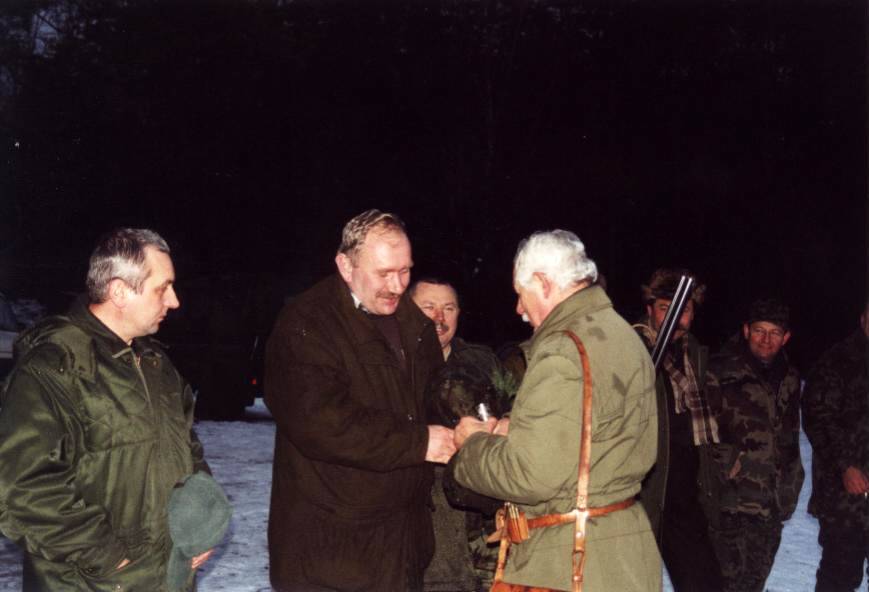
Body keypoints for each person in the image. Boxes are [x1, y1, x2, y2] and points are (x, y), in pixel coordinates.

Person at [0, 228, 213, 592]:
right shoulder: (54, 367)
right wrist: (106, 557)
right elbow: (21, 488)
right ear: (119, 292)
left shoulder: (157, 364)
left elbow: (188, 451)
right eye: (162, 288)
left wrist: (200, 522)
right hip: (92, 581)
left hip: (166, 576)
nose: (174, 301)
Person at [451, 230, 661, 591]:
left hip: (567, 563)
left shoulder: (563, 350)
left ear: (544, 283)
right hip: (624, 553)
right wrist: (519, 430)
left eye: (521, 294)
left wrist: (471, 445)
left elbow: (531, 476)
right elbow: (594, 437)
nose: (519, 309)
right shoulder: (622, 333)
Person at [264, 209, 455, 592]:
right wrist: (419, 442)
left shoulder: (415, 325)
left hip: (401, 543)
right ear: (345, 266)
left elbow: (434, 398)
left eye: (405, 271)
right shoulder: (306, 323)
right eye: (384, 273)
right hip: (332, 552)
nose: (397, 286)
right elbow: (322, 422)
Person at [410, 278, 515, 592]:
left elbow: (519, 402)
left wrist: (507, 422)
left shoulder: (481, 362)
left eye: (449, 308)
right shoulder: (393, 364)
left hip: (480, 525)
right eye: (428, 307)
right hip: (422, 525)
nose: (439, 317)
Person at [634, 267, 722, 591]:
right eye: (664, 308)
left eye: (683, 310)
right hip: (641, 495)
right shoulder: (628, 350)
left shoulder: (695, 355)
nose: (675, 318)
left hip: (685, 495)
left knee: (705, 584)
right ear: (649, 309)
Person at [708, 298, 804, 592]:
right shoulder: (718, 372)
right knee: (722, 585)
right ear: (746, 330)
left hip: (771, 504)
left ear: (786, 337)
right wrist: (726, 465)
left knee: (754, 584)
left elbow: (789, 437)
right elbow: (697, 432)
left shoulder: (790, 377)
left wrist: (792, 483)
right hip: (730, 503)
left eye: (775, 333)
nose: (766, 340)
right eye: (760, 330)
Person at [802, 299, 869, 591]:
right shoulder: (837, 361)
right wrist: (845, 466)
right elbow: (818, 417)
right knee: (840, 577)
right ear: (863, 318)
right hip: (845, 497)